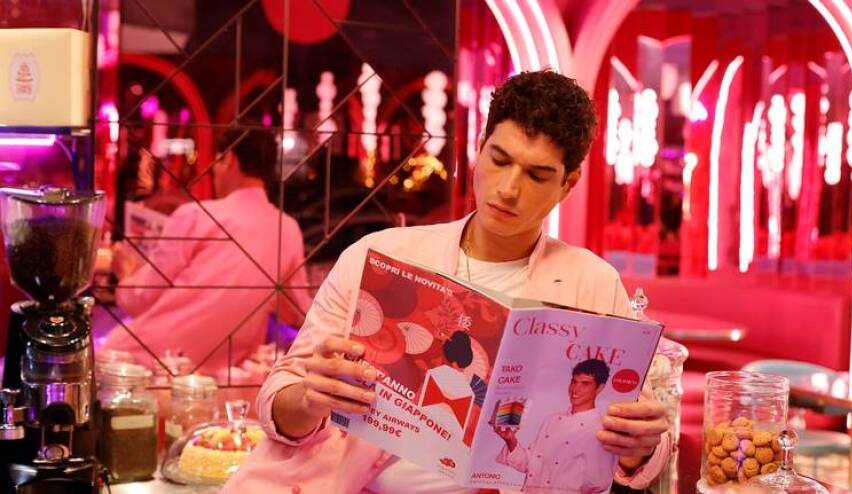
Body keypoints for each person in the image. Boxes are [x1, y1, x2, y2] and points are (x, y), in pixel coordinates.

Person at [223, 70, 671, 494]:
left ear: (568, 185)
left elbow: (640, 444)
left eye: (537, 175)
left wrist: (640, 445)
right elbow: (278, 402)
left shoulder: (593, 283)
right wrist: (309, 399)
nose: (509, 189)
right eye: (499, 160)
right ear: (480, 147)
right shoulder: (382, 256)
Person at [102, 128, 311, 378]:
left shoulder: (196, 216)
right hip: (232, 374)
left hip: (154, 364)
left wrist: (125, 271)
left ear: (229, 160)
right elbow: (298, 312)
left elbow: (138, 300)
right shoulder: (287, 229)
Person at [494, 359, 615, 494]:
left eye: (585, 384)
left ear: (600, 387)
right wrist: (511, 440)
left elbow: (599, 483)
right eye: (574, 382)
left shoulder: (601, 430)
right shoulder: (552, 420)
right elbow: (530, 463)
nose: (575, 389)